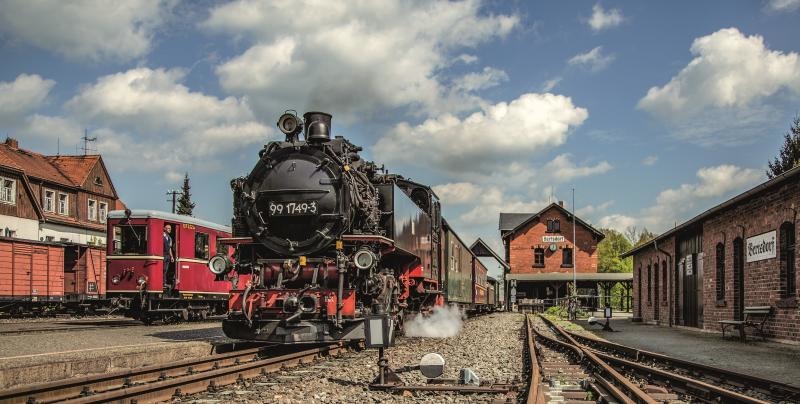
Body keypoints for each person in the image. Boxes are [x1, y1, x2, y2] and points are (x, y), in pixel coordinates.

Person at [163, 224, 175, 291]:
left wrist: (172, 256)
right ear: (164, 229)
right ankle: (163, 282)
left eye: (170, 228)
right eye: (168, 228)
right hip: (163, 254)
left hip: (167, 255)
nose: (169, 230)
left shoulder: (170, 238)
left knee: (166, 269)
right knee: (163, 269)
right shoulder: (162, 235)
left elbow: (170, 248)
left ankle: (164, 282)